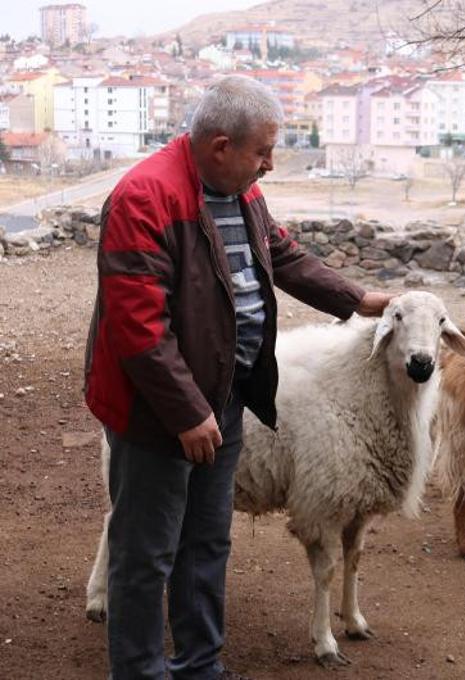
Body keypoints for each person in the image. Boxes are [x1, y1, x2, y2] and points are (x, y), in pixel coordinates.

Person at [84, 75, 392, 680]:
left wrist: (355, 298)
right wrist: (186, 413)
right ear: (220, 145)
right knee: (146, 552)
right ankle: (140, 670)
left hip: (224, 401)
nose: (270, 165)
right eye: (263, 152)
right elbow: (139, 330)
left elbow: (278, 252)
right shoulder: (144, 199)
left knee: (207, 540)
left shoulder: (240, 188)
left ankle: (201, 664)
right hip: (157, 414)